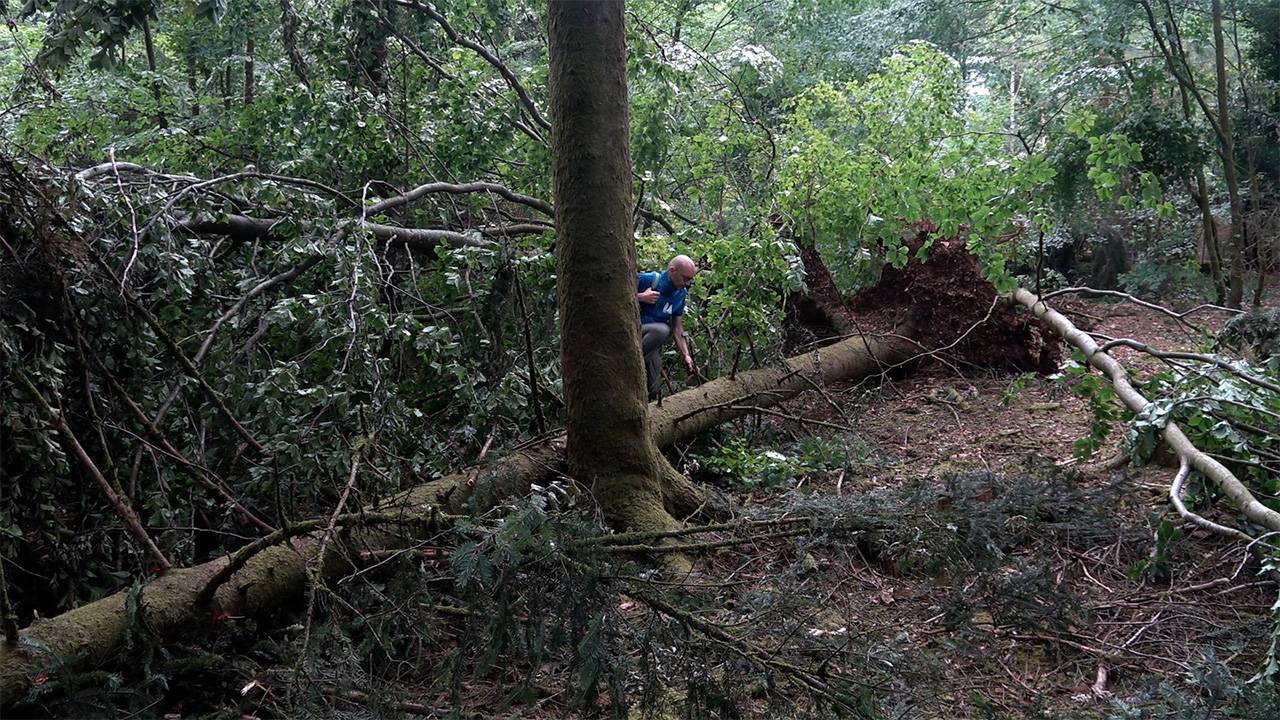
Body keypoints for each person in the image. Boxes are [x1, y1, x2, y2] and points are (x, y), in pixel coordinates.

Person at [636, 255, 698, 400]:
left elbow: (678, 328)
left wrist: (686, 355)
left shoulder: (681, 294)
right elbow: (616, 296)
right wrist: (640, 297)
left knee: (654, 387)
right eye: (685, 278)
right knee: (662, 329)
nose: (688, 283)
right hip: (636, 332)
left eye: (690, 279)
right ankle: (628, 359)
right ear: (672, 271)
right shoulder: (648, 279)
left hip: (650, 345)